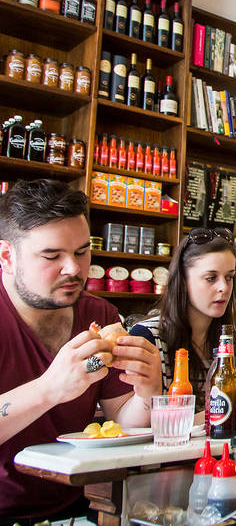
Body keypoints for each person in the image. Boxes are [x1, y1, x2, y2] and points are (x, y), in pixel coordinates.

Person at [0, 180, 161, 522]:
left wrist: (147, 391)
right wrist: (49, 389)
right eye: (52, 255)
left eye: (81, 251)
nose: (73, 269)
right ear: (6, 257)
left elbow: (123, 422)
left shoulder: (98, 314)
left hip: (81, 507)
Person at [129, 228, 236, 415]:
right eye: (211, 278)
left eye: (229, 278)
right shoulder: (147, 337)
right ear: (183, 280)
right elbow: (137, 427)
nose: (224, 287)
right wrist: (214, 415)